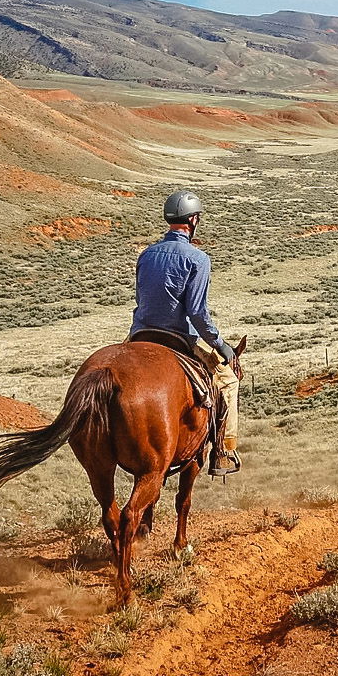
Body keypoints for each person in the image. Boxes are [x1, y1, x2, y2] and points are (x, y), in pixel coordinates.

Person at [130, 190, 244, 475]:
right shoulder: (198, 258)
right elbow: (197, 313)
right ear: (193, 220)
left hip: (140, 333)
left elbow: (141, 298)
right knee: (228, 381)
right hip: (178, 337)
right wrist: (220, 344)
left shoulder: (146, 254)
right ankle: (223, 452)